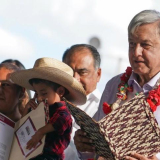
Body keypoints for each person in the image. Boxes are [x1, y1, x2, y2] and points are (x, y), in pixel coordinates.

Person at [74, 9, 160, 160]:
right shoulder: (114, 85)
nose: (136, 52)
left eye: (145, 45)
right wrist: (83, 145)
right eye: (132, 44)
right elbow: (97, 147)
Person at [10, 57, 86, 160]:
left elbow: (59, 122)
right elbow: (22, 128)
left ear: (60, 91)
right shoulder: (41, 109)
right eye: (36, 93)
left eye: (44, 93)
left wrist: (40, 132)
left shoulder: (63, 112)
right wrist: (27, 110)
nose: (39, 98)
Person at [62, 44, 102, 160]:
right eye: (69, 72)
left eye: (82, 72)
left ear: (98, 74)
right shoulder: (49, 101)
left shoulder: (103, 109)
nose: (75, 78)